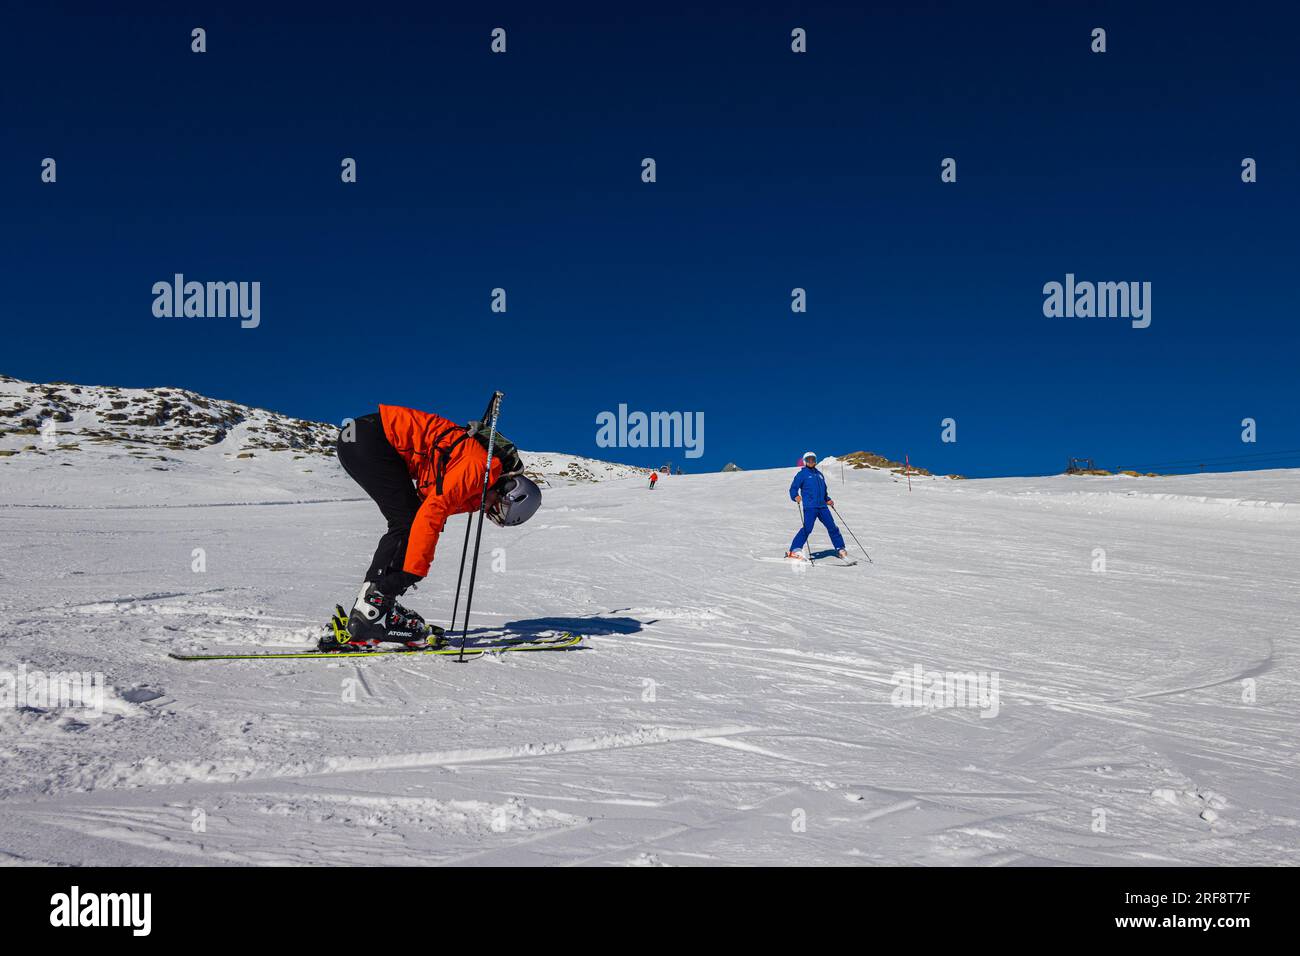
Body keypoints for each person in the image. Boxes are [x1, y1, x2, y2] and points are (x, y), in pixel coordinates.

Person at [325, 405, 542, 649]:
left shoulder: (477, 475)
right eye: (497, 509)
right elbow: (432, 512)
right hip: (370, 438)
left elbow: (428, 515)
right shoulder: (478, 466)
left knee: (406, 520)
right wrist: (413, 571)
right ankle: (371, 613)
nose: (488, 512)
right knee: (406, 520)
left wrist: (403, 573)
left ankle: (374, 607)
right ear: (509, 492)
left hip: (361, 437)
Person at [786, 451, 847, 560]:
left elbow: (823, 491)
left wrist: (827, 499)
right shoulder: (802, 474)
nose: (811, 461)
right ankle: (794, 550)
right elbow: (793, 488)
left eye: (813, 459)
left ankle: (840, 548)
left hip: (822, 507)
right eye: (808, 459)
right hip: (810, 506)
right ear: (805, 461)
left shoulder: (820, 475)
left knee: (832, 527)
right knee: (807, 528)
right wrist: (795, 496)